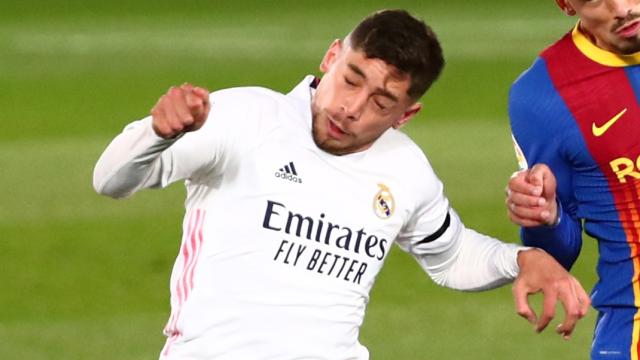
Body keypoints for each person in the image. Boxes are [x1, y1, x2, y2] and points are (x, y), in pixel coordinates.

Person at [94, 9, 589, 360]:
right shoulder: (245, 116)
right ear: (331, 57)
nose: (352, 107)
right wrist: (156, 133)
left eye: (381, 101)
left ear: (406, 114)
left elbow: (452, 255)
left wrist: (523, 258)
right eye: (351, 78)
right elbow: (111, 180)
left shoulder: (407, 171)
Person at [505, 0, 640, 359]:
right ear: (565, 4)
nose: (623, 8)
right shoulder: (543, 96)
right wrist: (544, 216)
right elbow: (557, 252)